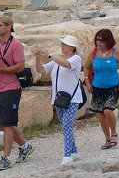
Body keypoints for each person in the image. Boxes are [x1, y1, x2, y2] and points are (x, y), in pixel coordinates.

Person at [0, 15, 33, 171]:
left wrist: (1, 69)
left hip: (11, 88)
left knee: (7, 124)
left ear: (9, 27)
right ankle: (25, 146)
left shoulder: (16, 45)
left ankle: (6, 158)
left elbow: (20, 66)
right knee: (5, 123)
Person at [33, 35, 84, 165]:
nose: (62, 46)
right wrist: (38, 58)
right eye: (62, 44)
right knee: (65, 126)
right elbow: (41, 70)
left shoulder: (76, 58)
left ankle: (67, 155)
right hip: (59, 99)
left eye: (65, 44)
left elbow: (67, 64)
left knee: (67, 125)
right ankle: (74, 151)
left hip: (72, 99)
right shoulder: (57, 61)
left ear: (72, 47)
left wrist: (50, 56)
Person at [83, 27, 119, 150]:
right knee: (100, 114)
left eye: (101, 40)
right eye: (97, 40)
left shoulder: (115, 52)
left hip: (113, 86)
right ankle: (107, 139)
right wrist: (87, 82)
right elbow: (86, 67)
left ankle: (114, 133)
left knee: (108, 110)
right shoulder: (93, 53)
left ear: (108, 41)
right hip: (97, 87)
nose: (98, 42)